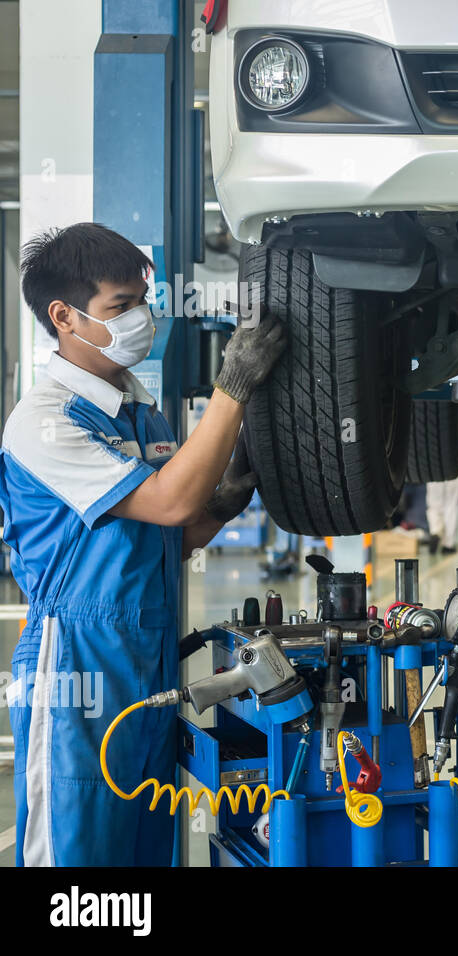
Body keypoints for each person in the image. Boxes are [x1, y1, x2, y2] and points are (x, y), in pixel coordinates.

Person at [0, 223, 284, 865]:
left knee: (144, 845)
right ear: (63, 316)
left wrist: (235, 490)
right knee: (75, 853)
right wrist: (232, 388)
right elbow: (169, 501)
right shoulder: (47, 420)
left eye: (143, 301)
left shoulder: (140, 412)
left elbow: (173, 533)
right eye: (119, 307)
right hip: (76, 664)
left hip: (147, 657)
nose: (141, 318)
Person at [425, 467, 458, 555]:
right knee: (451, 507)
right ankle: (448, 545)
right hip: (453, 471)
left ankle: (435, 532)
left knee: (434, 505)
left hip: (433, 472)